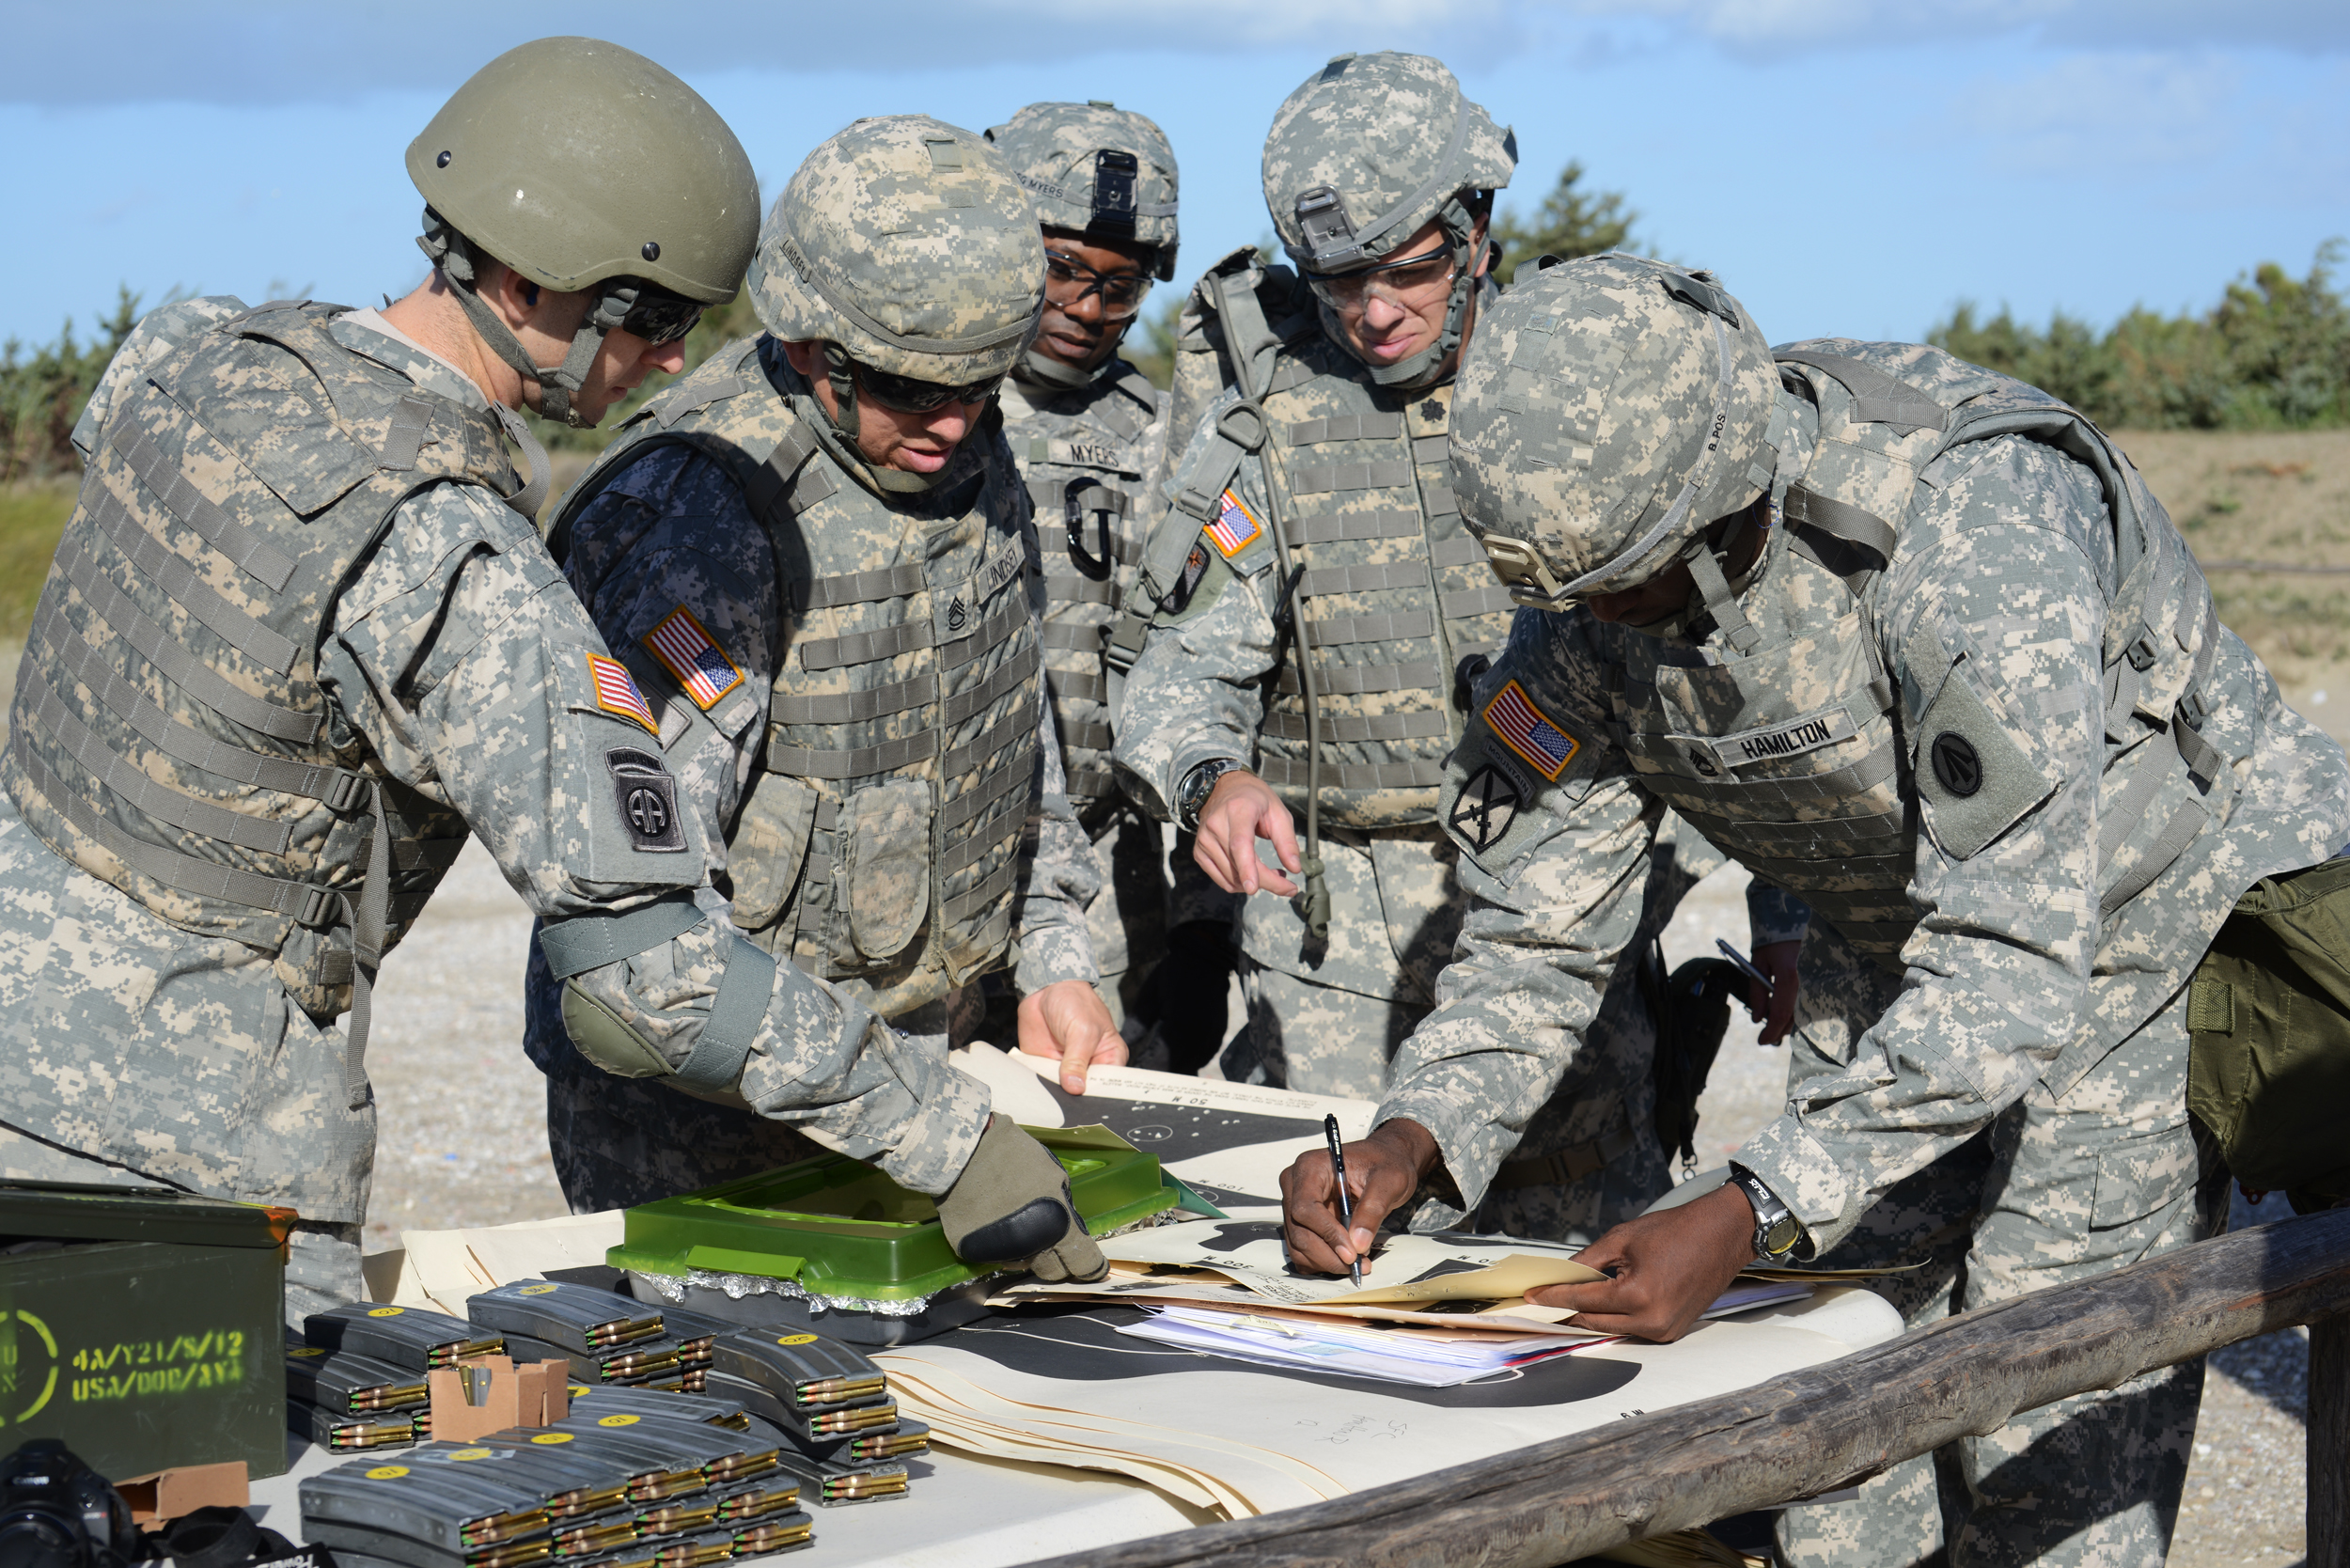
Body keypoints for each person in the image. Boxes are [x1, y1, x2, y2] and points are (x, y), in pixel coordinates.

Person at [0, 41, 1102, 1326]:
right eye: (653, 322)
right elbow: (650, 977)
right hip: (184, 1160)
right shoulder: (457, 566)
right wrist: (953, 1142)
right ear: (527, 282)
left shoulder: (195, 355)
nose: (674, 363)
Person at [1280, 252, 2350, 1562]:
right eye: (1568, 595)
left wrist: (1748, 1204)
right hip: (1883, 924)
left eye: (1625, 584)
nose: (1596, 625)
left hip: (2119, 934)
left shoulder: (1968, 540)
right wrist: (1416, 1135)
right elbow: (1533, 938)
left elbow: (2015, 962)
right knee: (1829, 1395)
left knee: (2046, 1386)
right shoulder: (1586, 603)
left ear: (1723, 497)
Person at [1110, 52, 1805, 1243]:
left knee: (1582, 1263)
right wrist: (1210, 778)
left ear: (1476, 230)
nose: (1372, 312)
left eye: (1407, 268)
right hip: (1341, 957)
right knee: (1338, 1252)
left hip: (1577, 917)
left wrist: (1784, 913)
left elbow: (1751, 661)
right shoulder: (1265, 426)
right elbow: (1179, 668)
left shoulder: (1602, 386)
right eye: (1337, 281)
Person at [522, 112, 1132, 1212]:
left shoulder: (958, 447)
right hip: (715, 1134)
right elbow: (645, 937)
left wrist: (1054, 958)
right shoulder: (698, 520)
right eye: (914, 391)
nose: (953, 427)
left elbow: (1009, 728)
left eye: (980, 387)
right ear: (811, 350)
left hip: (927, 1080)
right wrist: (909, 1119)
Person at [977, 101, 1241, 1074]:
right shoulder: (912, 411)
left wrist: (1204, 931)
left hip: (1103, 908)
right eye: (1061, 268)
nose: (1086, 308)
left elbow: (1213, 675)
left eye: (1119, 286)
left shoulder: (1171, 445)